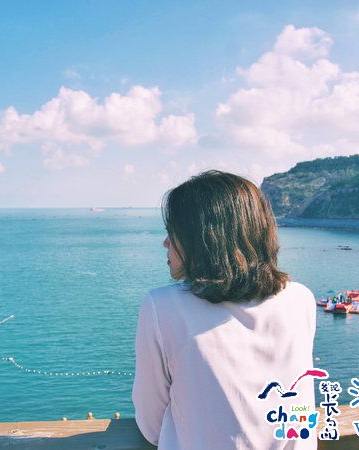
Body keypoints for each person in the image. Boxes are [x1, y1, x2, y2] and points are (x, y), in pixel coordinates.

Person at [133, 171, 317, 449]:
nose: (165, 242)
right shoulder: (300, 299)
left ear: (202, 238)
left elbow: (151, 424)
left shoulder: (162, 307)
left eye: (173, 232)